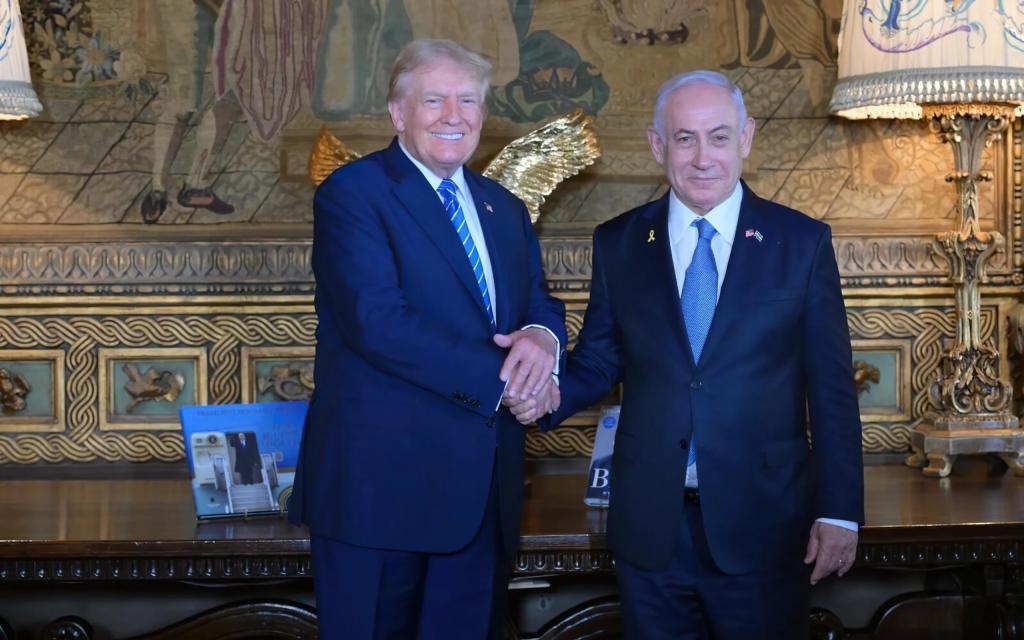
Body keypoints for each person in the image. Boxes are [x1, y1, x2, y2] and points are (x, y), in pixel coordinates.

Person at [507, 70, 864, 638]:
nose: (704, 157)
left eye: (719, 137)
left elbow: (832, 392)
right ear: (657, 145)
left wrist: (840, 511)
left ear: (745, 139)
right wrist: (540, 394)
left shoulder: (801, 242)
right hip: (652, 529)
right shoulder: (619, 241)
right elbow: (600, 360)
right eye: (685, 138)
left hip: (765, 526)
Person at [288, 39, 567, 640]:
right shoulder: (354, 195)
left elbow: (538, 305)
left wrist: (543, 345)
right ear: (397, 113)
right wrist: (513, 385)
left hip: (482, 499)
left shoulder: (504, 208)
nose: (454, 115)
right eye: (434, 99)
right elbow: (376, 322)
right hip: (380, 494)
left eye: (468, 100)